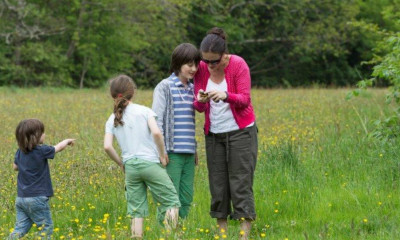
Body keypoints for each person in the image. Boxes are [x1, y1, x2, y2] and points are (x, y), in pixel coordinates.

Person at [193, 27, 258, 240]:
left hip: (240, 132)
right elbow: (199, 106)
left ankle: (243, 235)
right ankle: (221, 234)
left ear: (224, 55)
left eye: (214, 61)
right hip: (214, 134)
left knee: (240, 181)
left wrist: (226, 95)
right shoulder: (202, 69)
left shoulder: (238, 65)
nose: (210, 65)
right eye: (206, 61)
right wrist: (201, 100)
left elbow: (245, 99)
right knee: (218, 184)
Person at [103, 74, 180, 239]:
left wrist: (121, 163)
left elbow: (107, 146)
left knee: (136, 210)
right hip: (150, 164)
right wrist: (162, 154)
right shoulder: (145, 111)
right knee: (171, 201)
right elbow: (157, 133)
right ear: (133, 92)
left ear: (112, 94)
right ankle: (168, 236)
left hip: (130, 167)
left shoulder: (112, 119)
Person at [152, 43, 201, 219]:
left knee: (186, 197)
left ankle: (180, 232)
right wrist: (161, 151)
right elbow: (156, 121)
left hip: (188, 153)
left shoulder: (194, 89)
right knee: (169, 197)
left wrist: (194, 148)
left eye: (196, 64)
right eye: (189, 64)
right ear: (178, 63)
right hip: (170, 153)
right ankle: (164, 233)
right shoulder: (164, 86)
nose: (194, 69)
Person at [9, 119, 75, 239]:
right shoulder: (41, 150)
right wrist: (67, 141)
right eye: (42, 132)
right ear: (35, 136)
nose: (44, 134)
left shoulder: (20, 152)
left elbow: (15, 167)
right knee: (46, 227)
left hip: (21, 198)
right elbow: (57, 148)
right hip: (37, 198)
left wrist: (25, 166)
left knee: (20, 228)